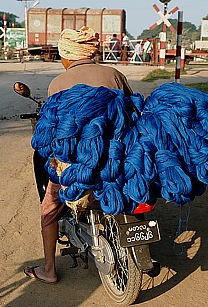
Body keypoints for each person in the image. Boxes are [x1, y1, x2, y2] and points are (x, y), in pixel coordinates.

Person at [23, 26, 133, 284]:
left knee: (49, 208)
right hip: (116, 157)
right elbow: (130, 110)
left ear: (68, 55)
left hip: (78, 162)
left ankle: (49, 270)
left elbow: (54, 128)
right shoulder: (114, 74)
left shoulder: (59, 83)